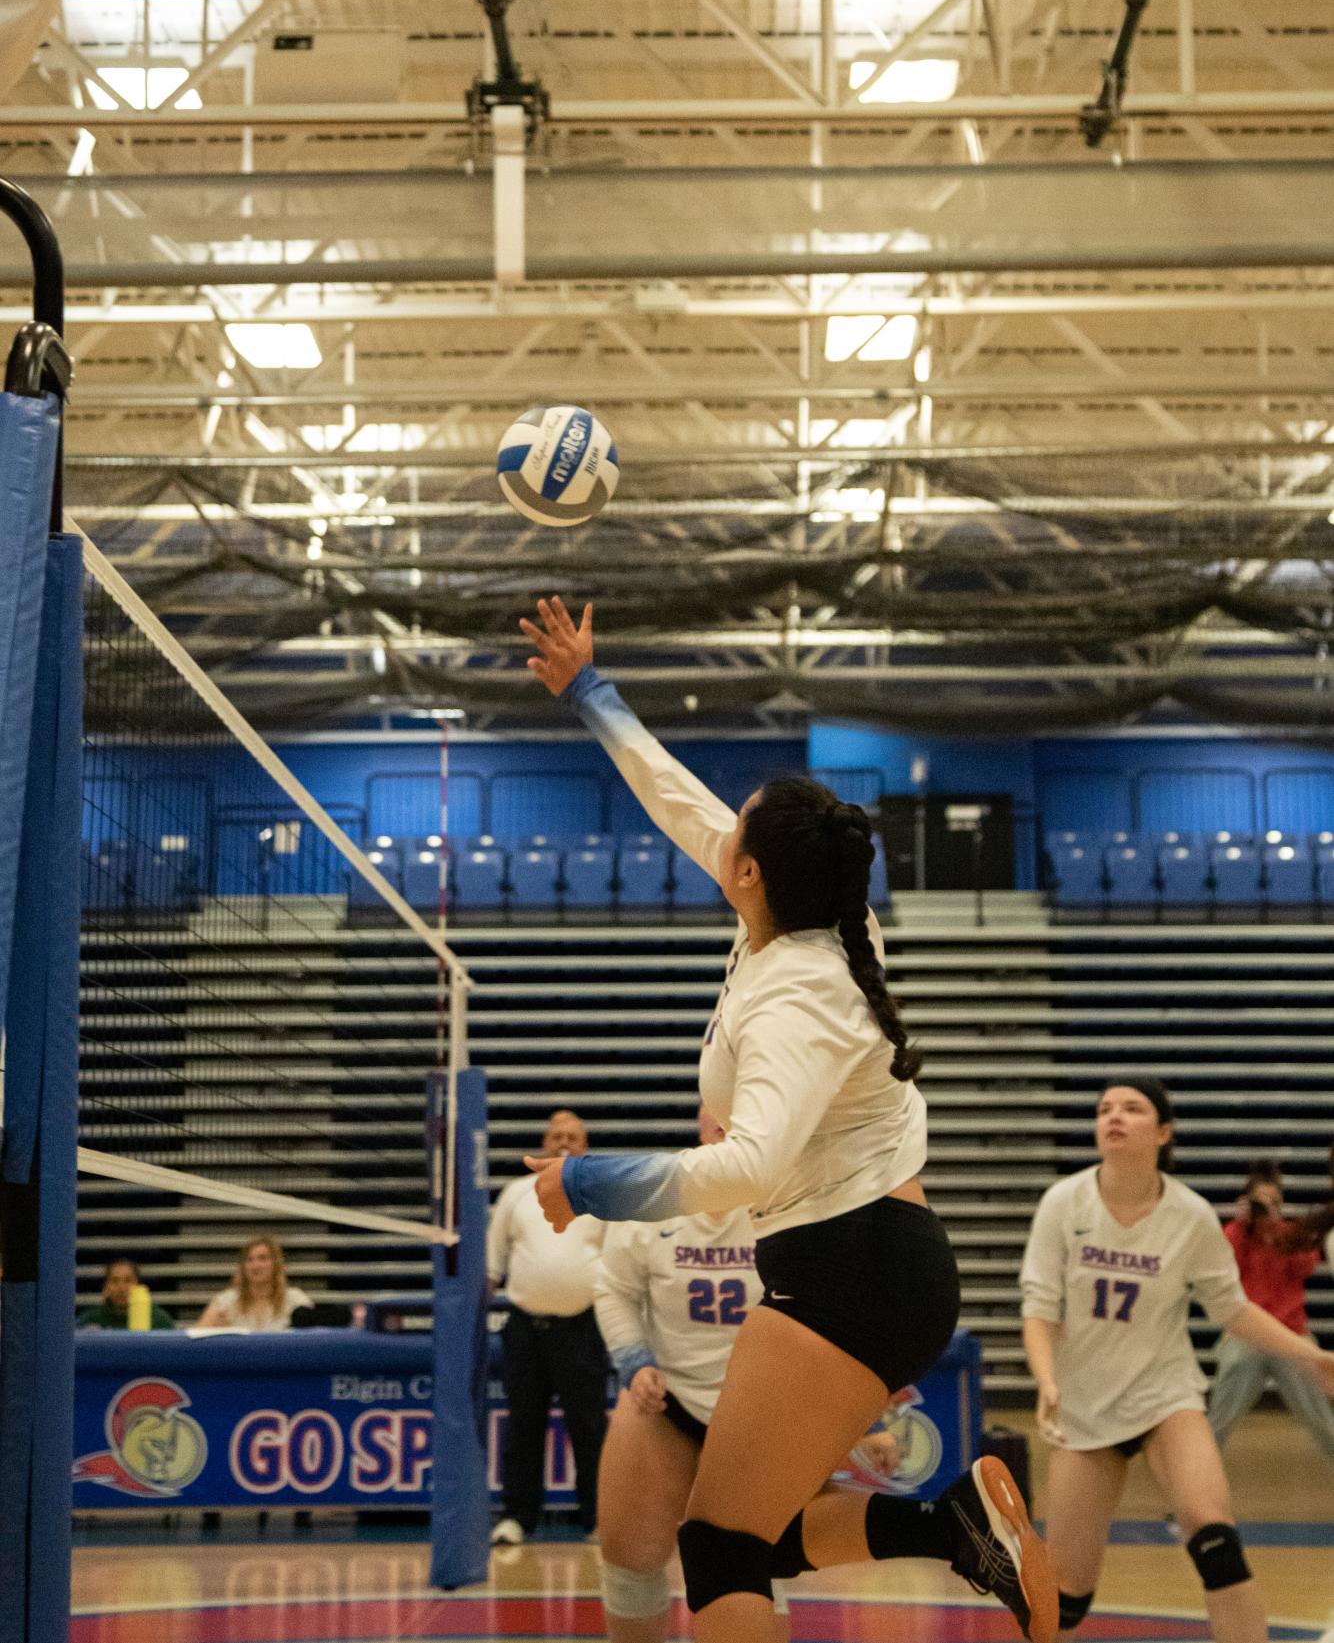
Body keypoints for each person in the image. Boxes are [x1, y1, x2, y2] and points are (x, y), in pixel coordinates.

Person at [518, 595, 1057, 1643]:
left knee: (717, 1546)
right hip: (865, 1263)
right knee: (745, 1537)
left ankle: (949, 1529)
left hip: (854, 1268)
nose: (721, 829)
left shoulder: (795, 998)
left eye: (741, 824)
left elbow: (749, 1167)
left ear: (751, 874)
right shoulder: (814, 922)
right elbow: (680, 804)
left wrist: (585, 1183)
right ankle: (949, 1529)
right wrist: (589, 691)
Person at [1021, 1078, 1334, 1643]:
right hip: (1085, 1407)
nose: (1114, 1116)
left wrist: (1314, 1356)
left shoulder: (1189, 1215)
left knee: (1215, 1538)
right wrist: (1047, 1381)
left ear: (1163, 1133)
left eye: (1132, 1109)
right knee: (1064, 1594)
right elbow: (1038, 1309)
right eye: (1104, 1108)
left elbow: (1232, 1311)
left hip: (1167, 1399)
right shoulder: (1064, 1203)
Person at [594, 1104, 903, 1643]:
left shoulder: (795, 1198)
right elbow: (613, 1287)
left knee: (752, 1555)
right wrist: (633, 1360)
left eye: (738, 1116)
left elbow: (835, 1315)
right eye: (716, 1116)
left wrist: (863, 1420)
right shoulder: (657, 1192)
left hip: (763, 1412)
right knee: (629, 1556)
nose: (725, 1126)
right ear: (699, 1120)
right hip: (669, 1403)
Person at [487, 1107, 609, 1545]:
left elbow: (620, 1266)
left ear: (585, 1146)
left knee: (590, 1427)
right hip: (525, 1328)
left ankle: (597, 1519)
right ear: (544, 1141)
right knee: (523, 1425)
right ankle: (517, 1518)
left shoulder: (599, 1196)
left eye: (572, 1137)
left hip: (583, 1327)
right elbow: (491, 1265)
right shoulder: (516, 1194)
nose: (563, 1143)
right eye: (556, 1135)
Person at [1209, 1159, 1334, 1462]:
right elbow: (1222, 1269)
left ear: (1281, 1203)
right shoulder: (1234, 1234)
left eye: (1273, 1202)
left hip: (1291, 1335)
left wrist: (1276, 1229)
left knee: (1322, 1421)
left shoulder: (1292, 1233)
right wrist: (1241, 1224)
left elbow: (1305, 1266)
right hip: (1246, 1336)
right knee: (1218, 1420)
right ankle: (1192, 1490)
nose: (1266, 1209)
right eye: (1260, 1203)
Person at [194, 1235, 313, 1331]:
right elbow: (195, 1335)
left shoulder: (297, 1300)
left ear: (276, 1264)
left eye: (263, 1258)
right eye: (249, 1260)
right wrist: (214, 1330)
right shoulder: (225, 1302)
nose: (255, 1266)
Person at [77, 1256, 175, 1329]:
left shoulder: (159, 1319)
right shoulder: (90, 1321)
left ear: (138, 1285)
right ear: (105, 1287)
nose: (121, 1288)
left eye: (128, 1280)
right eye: (115, 1281)